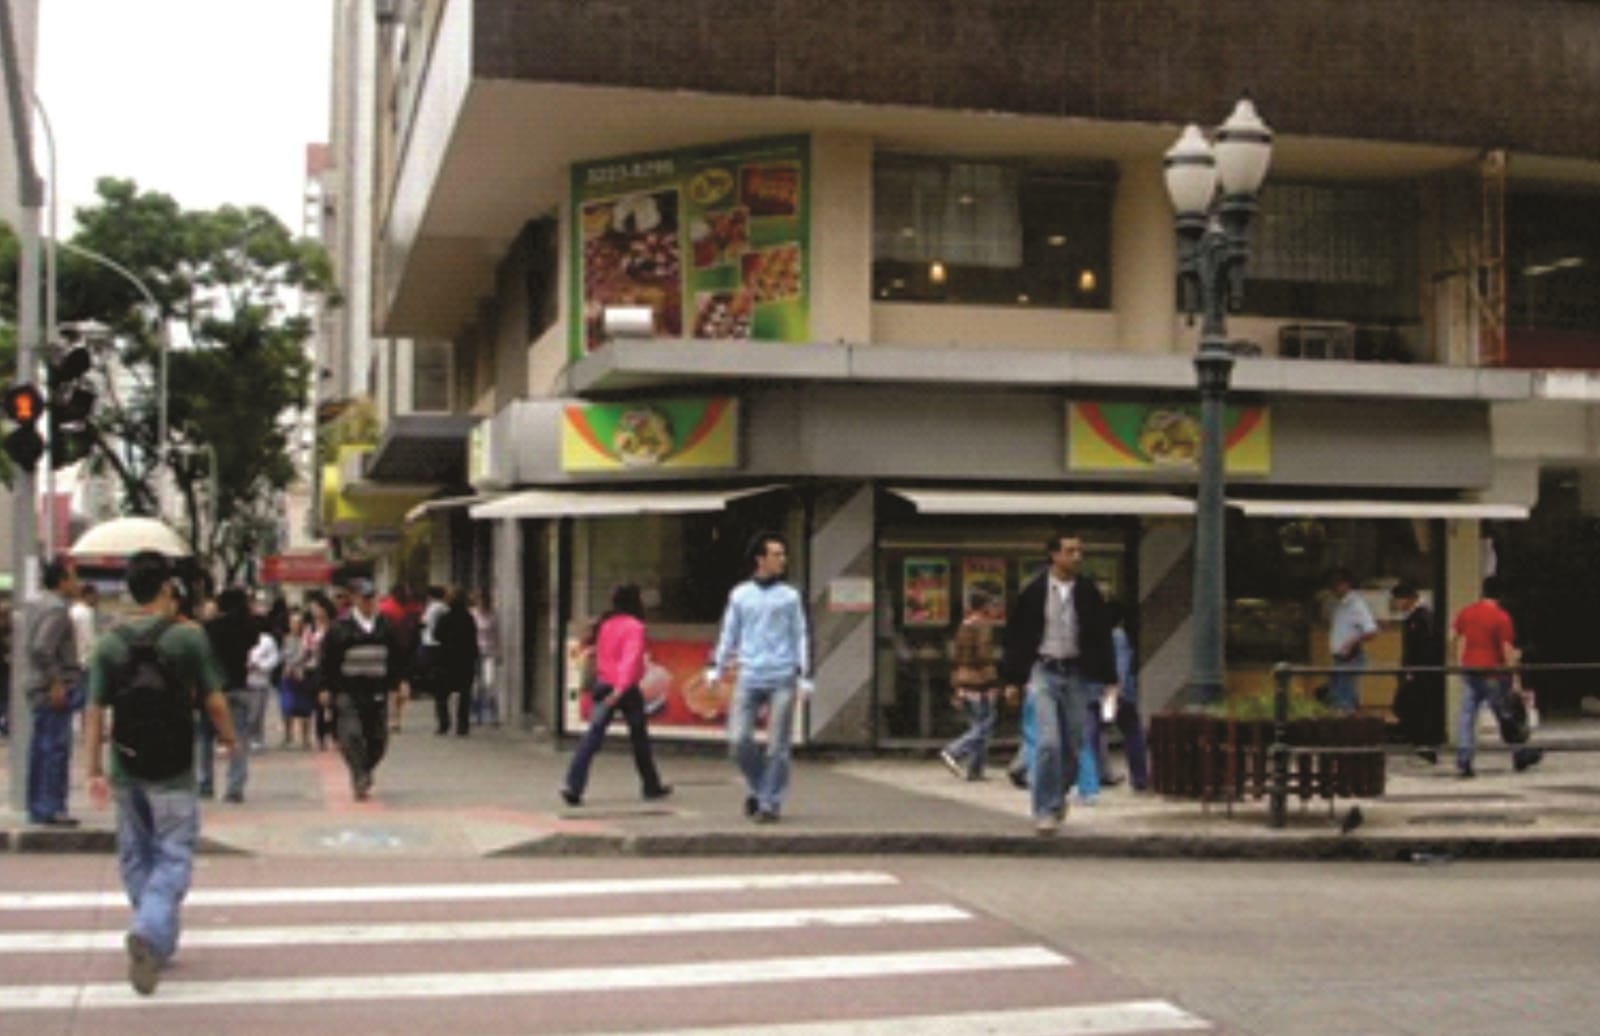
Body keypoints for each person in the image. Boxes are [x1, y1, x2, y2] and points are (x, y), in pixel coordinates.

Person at [83, 550, 237, 996]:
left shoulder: (108, 645)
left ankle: (154, 940)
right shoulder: (188, 639)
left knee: (136, 855)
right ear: (167, 588)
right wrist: (229, 739)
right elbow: (214, 700)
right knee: (173, 853)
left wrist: (92, 768)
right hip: (174, 767)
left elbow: (93, 711)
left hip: (126, 765)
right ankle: (150, 932)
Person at [1000, 533, 1119, 836]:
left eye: (1079, 551)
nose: (1076, 556)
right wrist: (1012, 679)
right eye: (1070, 551)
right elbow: (1017, 636)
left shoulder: (1088, 591)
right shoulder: (1034, 591)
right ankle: (1044, 809)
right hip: (1044, 670)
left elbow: (1101, 636)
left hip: (1077, 673)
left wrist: (1109, 679)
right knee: (1048, 743)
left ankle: (1058, 794)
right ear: (1054, 555)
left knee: (1073, 746)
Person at [710, 532, 812, 823]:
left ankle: (769, 802)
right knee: (738, 740)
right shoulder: (740, 594)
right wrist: (717, 666)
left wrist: (804, 674)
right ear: (760, 559)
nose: (782, 559)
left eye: (783, 554)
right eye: (776, 554)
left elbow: (800, 635)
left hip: (783, 675)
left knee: (778, 744)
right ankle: (762, 788)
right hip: (750, 673)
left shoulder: (790, 596)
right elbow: (730, 632)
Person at [560, 584, 672, 806]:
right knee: (639, 738)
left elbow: (602, 655)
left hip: (603, 683)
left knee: (593, 736)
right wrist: (621, 688)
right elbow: (630, 659)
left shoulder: (606, 624)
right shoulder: (635, 627)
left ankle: (573, 785)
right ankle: (650, 785)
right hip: (625, 688)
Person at [320, 578, 404, 800]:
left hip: (376, 688)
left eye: (372, 598)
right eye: (364, 598)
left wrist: (400, 683)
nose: (369, 603)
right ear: (354, 599)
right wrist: (325, 688)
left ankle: (365, 768)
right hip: (348, 689)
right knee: (351, 734)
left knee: (378, 739)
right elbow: (327, 660)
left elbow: (397, 658)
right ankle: (359, 775)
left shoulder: (386, 626)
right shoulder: (339, 628)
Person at [1451, 576, 1542, 778]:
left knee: (1467, 715)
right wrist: (1515, 677)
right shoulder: (1501, 617)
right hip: (1493, 671)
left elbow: (1457, 638)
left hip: (1470, 668)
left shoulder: (1467, 612)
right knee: (1505, 715)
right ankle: (1519, 752)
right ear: (1501, 595)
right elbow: (1506, 649)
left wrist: (1458, 663)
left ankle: (1464, 758)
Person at [22, 556, 84, 826]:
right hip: (51, 689)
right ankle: (51, 806)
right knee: (54, 749)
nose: (77, 583)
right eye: (73, 577)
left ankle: (38, 805)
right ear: (62, 581)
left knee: (41, 749)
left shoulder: (38, 605)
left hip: (37, 686)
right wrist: (57, 681)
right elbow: (42, 648)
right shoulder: (57, 610)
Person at [1085, 600, 1149, 791]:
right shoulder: (1118, 636)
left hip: (1094, 691)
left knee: (1093, 733)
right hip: (1117, 693)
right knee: (1132, 731)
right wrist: (1115, 688)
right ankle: (1139, 777)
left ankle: (1096, 775)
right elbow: (1122, 664)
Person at [939, 593, 999, 781]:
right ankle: (954, 750)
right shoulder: (982, 625)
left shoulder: (964, 625)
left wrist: (956, 682)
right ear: (984, 606)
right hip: (980, 681)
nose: (994, 609)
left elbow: (957, 655)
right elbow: (983, 655)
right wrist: (993, 677)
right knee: (985, 725)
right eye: (991, 605)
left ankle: (975, 770)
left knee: (976, 723)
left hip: (964, 678)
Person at [201, 588, 255, 802]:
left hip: (212, 688)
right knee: (238, 737)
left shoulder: (209, 628)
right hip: (238, 686)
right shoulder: (247, 627)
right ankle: (235, 787)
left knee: (204, 737)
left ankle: (204, 782)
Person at [1391, 583, 1444, 764]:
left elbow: (1423, 647)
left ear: (1409, 598)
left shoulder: (1422, 618)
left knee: (1421, 707)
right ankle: (1419, 742)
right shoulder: (1413, 618)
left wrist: (1413, 669)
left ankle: (1426, 745)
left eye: (1399, 599)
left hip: (1422, 671)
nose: (1397, 604)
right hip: (1415, 670)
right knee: (1408, 705)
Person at [1325, 568, 1378, 714]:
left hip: (1350, 656)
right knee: (1339, 695)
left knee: (1344, 698)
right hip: (1339, 657)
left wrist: (1351, 643)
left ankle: (1347, 718)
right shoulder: (1338, 604)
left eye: (1336, 585)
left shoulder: (1356, 604)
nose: (1333, 590)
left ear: (1345, 585)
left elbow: (1371, 631)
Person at [432, 587, 480, 737]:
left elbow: (436, 635)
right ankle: (462, 725)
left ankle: (444, 723)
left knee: (441, 694)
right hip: (465, 660)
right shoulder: (468, 618)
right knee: (464, 695)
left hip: (446, 660)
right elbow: (473, 638)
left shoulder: (445, 618)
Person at [303, 594, 336, 750]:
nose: (315, 611)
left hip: (332, 669)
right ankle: (320, 736)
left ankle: (334, 735)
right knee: (319, 705)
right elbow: (305, 649)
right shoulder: (310, 629)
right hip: (314, 669)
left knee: (334, 704)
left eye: (318, 608)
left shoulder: (334, 627)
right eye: (313, 608)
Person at [278, 608, 314, 748]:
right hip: (287, 675)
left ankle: (306, 739)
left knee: (304, 708)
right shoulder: (285, 639)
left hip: (302, 675)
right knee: (287, 707)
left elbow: (308, 655)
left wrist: (297, 666)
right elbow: (282, 655)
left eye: (298, 622)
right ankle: (288, 736)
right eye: (292, 622)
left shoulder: (307, 639)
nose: (295, 625)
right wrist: (288, 666)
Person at [471, 590, 502, 726]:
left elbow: (497, 635)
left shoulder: (493, 616)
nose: (482, 604)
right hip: (475, 652)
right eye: (480, 601)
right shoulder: (473, 615)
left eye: (485, 602)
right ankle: (476, 714)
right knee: (476, 685)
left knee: (490, 683)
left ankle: (492, 714)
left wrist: (499, 652)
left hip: (489, 652)